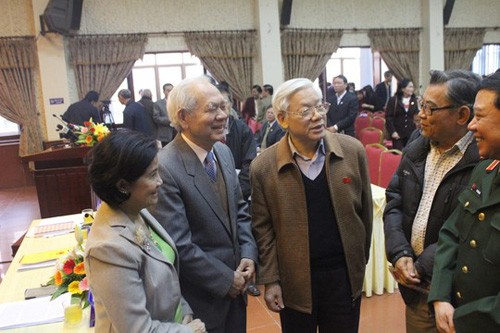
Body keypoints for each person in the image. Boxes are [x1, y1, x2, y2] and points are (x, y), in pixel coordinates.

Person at [250, 78, 373, 333]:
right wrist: (271, 280)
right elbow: (263, 229)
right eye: (306, 111)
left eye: (320, 107)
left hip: (342, 277)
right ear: (283, 119)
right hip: (294, 282)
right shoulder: (264, 167)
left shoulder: (352, 151)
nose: (318, 116)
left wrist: (359, 262)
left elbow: (366, 215)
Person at [151, 76, 258, 333]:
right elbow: (179, 244)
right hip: (202, 298)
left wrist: (247, 254)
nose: (223, 115)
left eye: (225, 106)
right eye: (212, 108)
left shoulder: (222, 152)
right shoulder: (166, 167)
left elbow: (240, 212)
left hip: (236, 290)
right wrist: (225, 279)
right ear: (184, 117)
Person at [383, 69, 482, 333]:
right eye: (421, 104)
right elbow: (394, 198)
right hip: (416, 286)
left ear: (462, 115)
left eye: (430, 108)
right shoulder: (418, 142)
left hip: (453, 288)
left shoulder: (482, 159)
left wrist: (420, 266)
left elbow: (466, 226)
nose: (421, 115)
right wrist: (400, 253)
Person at [85, 129, 206, 333]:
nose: (160, 182)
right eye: (152, 175)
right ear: (123, 185)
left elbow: (165, 271)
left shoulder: (136, 210)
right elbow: (137, 329)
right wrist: (189, 331)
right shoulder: (108, 248)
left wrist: (184, 311)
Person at [428, 69, 500, 333]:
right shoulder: (485, 171)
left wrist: (461, 320)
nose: (471, 125)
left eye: (479, 116)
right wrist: (440, 297)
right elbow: (451, 233)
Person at [385, 79, 420, 150]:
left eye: (412, 87)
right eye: (409, 87)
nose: (412, 89)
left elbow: (416, 115)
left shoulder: (414, 100)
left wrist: (420, 105)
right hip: (397, 134)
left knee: (410, 155)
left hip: (411, 134)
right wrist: (393, 132)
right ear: (403, 89)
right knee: (399, 156)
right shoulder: (394, 100)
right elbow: (389, 118)